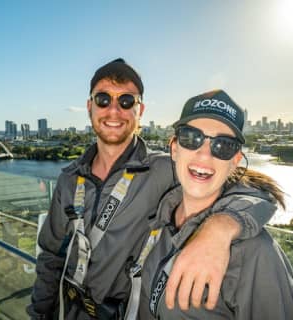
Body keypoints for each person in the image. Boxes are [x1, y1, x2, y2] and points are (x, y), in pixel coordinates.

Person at [27, 59, 277, 320]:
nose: (114, 111)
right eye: (103, 99)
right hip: (66, 311)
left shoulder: (164, 169)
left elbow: (253, 191)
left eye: (126, 101)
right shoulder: (69, 178)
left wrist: (220, 228)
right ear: (89, 106)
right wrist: (39, 313)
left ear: (140, 110)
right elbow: (50, 258)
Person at [138, 89, 293, 320]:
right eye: (191, 138)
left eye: (223, 146)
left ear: (234, 162)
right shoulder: (160, 221)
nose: (204, 155)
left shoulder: (256, 253)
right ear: (173, 148)